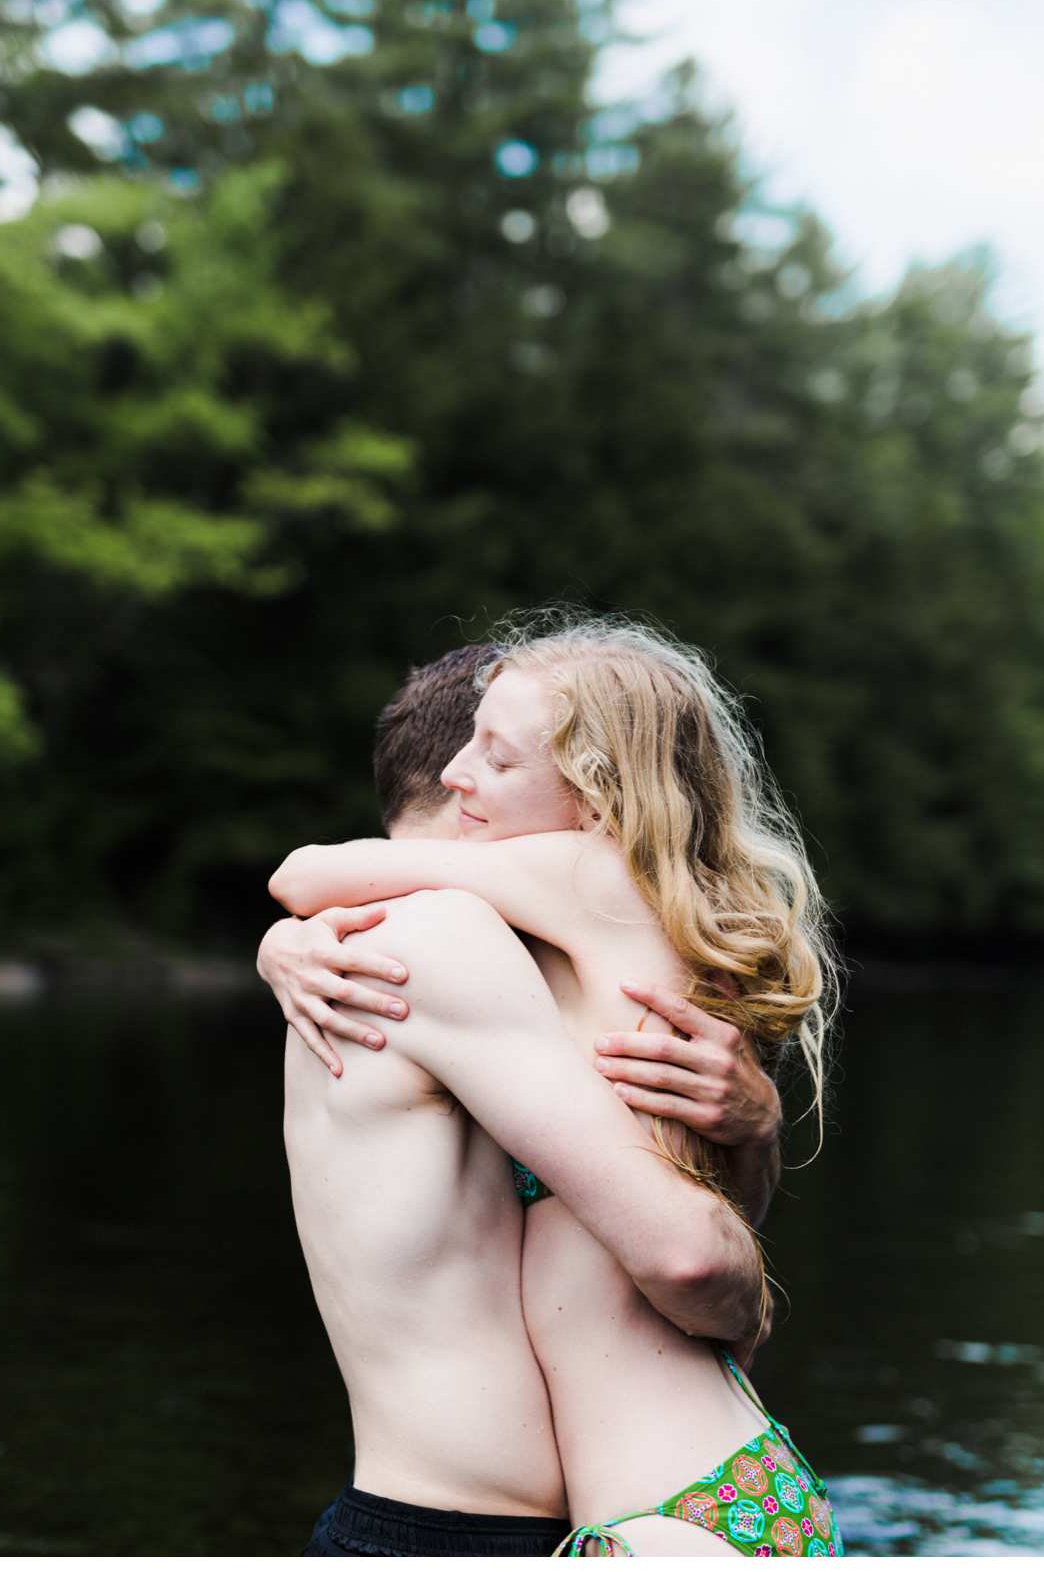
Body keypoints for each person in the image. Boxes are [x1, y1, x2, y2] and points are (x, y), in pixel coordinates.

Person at [269, 618, 841, 1557]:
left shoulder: (578, 884)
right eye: (469, 750)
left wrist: (757, 1153)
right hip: (707, 1483)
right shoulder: (632, 932)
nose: (467, 776)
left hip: (648, 1514)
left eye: (495, 757)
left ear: (594, 786)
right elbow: (707, 1222)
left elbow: (308, 872)